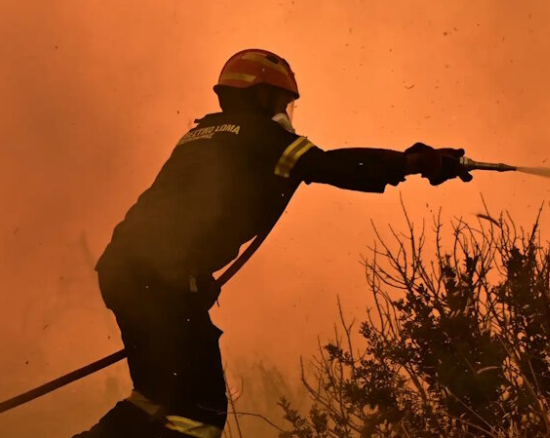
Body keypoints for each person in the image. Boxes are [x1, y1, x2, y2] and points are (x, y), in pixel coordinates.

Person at [74, 49, 472, 437]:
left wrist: (192, 278)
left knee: (154, 398)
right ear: (258, 98)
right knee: (198, 414)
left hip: (125, 272)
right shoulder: (259, 136)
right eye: (282, 104)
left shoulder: (202, 134)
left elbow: (185, 215)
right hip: (160, 281)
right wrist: (415, 162)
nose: (285, 116)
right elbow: (331, 165)